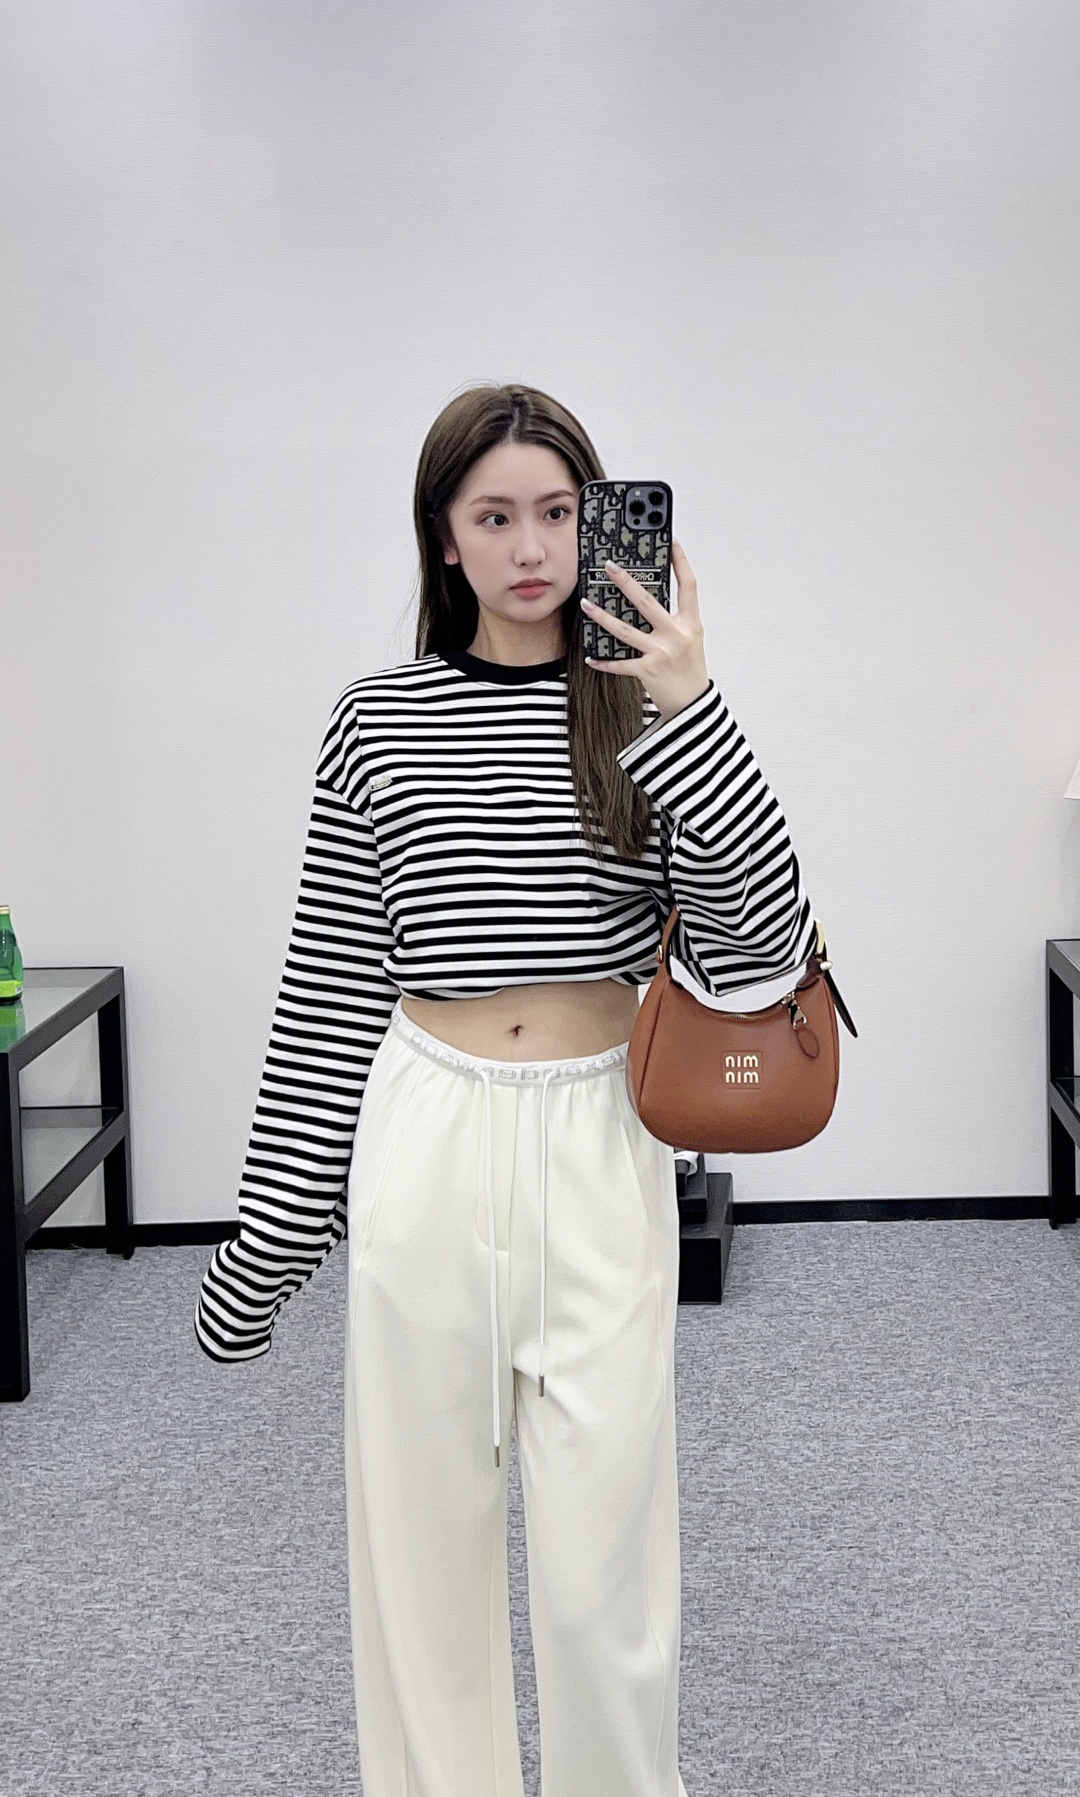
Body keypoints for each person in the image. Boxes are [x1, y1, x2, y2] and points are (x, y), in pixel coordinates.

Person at [196, 384, 815, 1797]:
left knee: (605, 1586)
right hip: (428, 1135)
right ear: (445, 537)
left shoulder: (647, 711)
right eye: (494, 517)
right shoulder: (375, 719)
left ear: (599, 527)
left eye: (556, 512)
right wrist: (268, 1246)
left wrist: (688, 706)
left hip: (600, 1137)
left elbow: (760, 949)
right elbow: (328, 994)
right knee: (423, 1570)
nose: (531, 548)